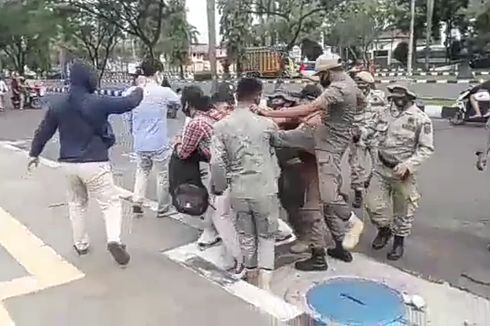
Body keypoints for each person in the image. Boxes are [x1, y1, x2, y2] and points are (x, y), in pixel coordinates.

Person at [27, 61, 143, 266]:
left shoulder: (58, 104)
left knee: (76, 204)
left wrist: (34, 153)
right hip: (94, 162)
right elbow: (129, 103)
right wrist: (142, 87)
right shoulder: (98, 101)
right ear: (89, 78)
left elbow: (44, 131)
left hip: (67, 164)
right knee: (110, 202)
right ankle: (114, 240)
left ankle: (80, 244)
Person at [259, 55, 365, 271]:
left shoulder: (332, 95)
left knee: (313, 212)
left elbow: (300, 119)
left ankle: (319, 255)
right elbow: (360, 103)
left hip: (318, 162)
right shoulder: (349, 88)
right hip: (326, 160)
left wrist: (269, 114)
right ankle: (338, 247)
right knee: (326, 208)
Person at [210, 78, 280, 290]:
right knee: (267, 236)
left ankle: (251, 276)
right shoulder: (267, 124)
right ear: (258, 97)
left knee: (246, 235)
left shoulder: (221, 126)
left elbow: (216, 161)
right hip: (265, 189)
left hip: (239, 190)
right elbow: (279, 144)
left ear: (235, 96)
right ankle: (265, 286)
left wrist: (220, 185)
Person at [365, 85, 434, 260]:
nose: (396, 99)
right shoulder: (384, 113)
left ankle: (398, 242)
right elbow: (370, 129)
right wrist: (360, 133)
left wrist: (409, 165)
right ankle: (384, 230)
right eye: (394, 96)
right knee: (373, 205)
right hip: (381, 167)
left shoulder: (420, 119)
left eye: (401, 96)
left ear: (410, 97)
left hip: (403, 173)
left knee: (403, 210)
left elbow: (426, 149)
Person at [124, 58, 180, 218]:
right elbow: (178, 101)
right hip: (158, 143)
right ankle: (163, 208)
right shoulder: (163, 92)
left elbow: (127, 115)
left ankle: (137, 200)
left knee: (142, 171)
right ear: (157, 73)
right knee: (162, 174)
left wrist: (133, 130)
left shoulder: (132, 92)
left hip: (140, 142)